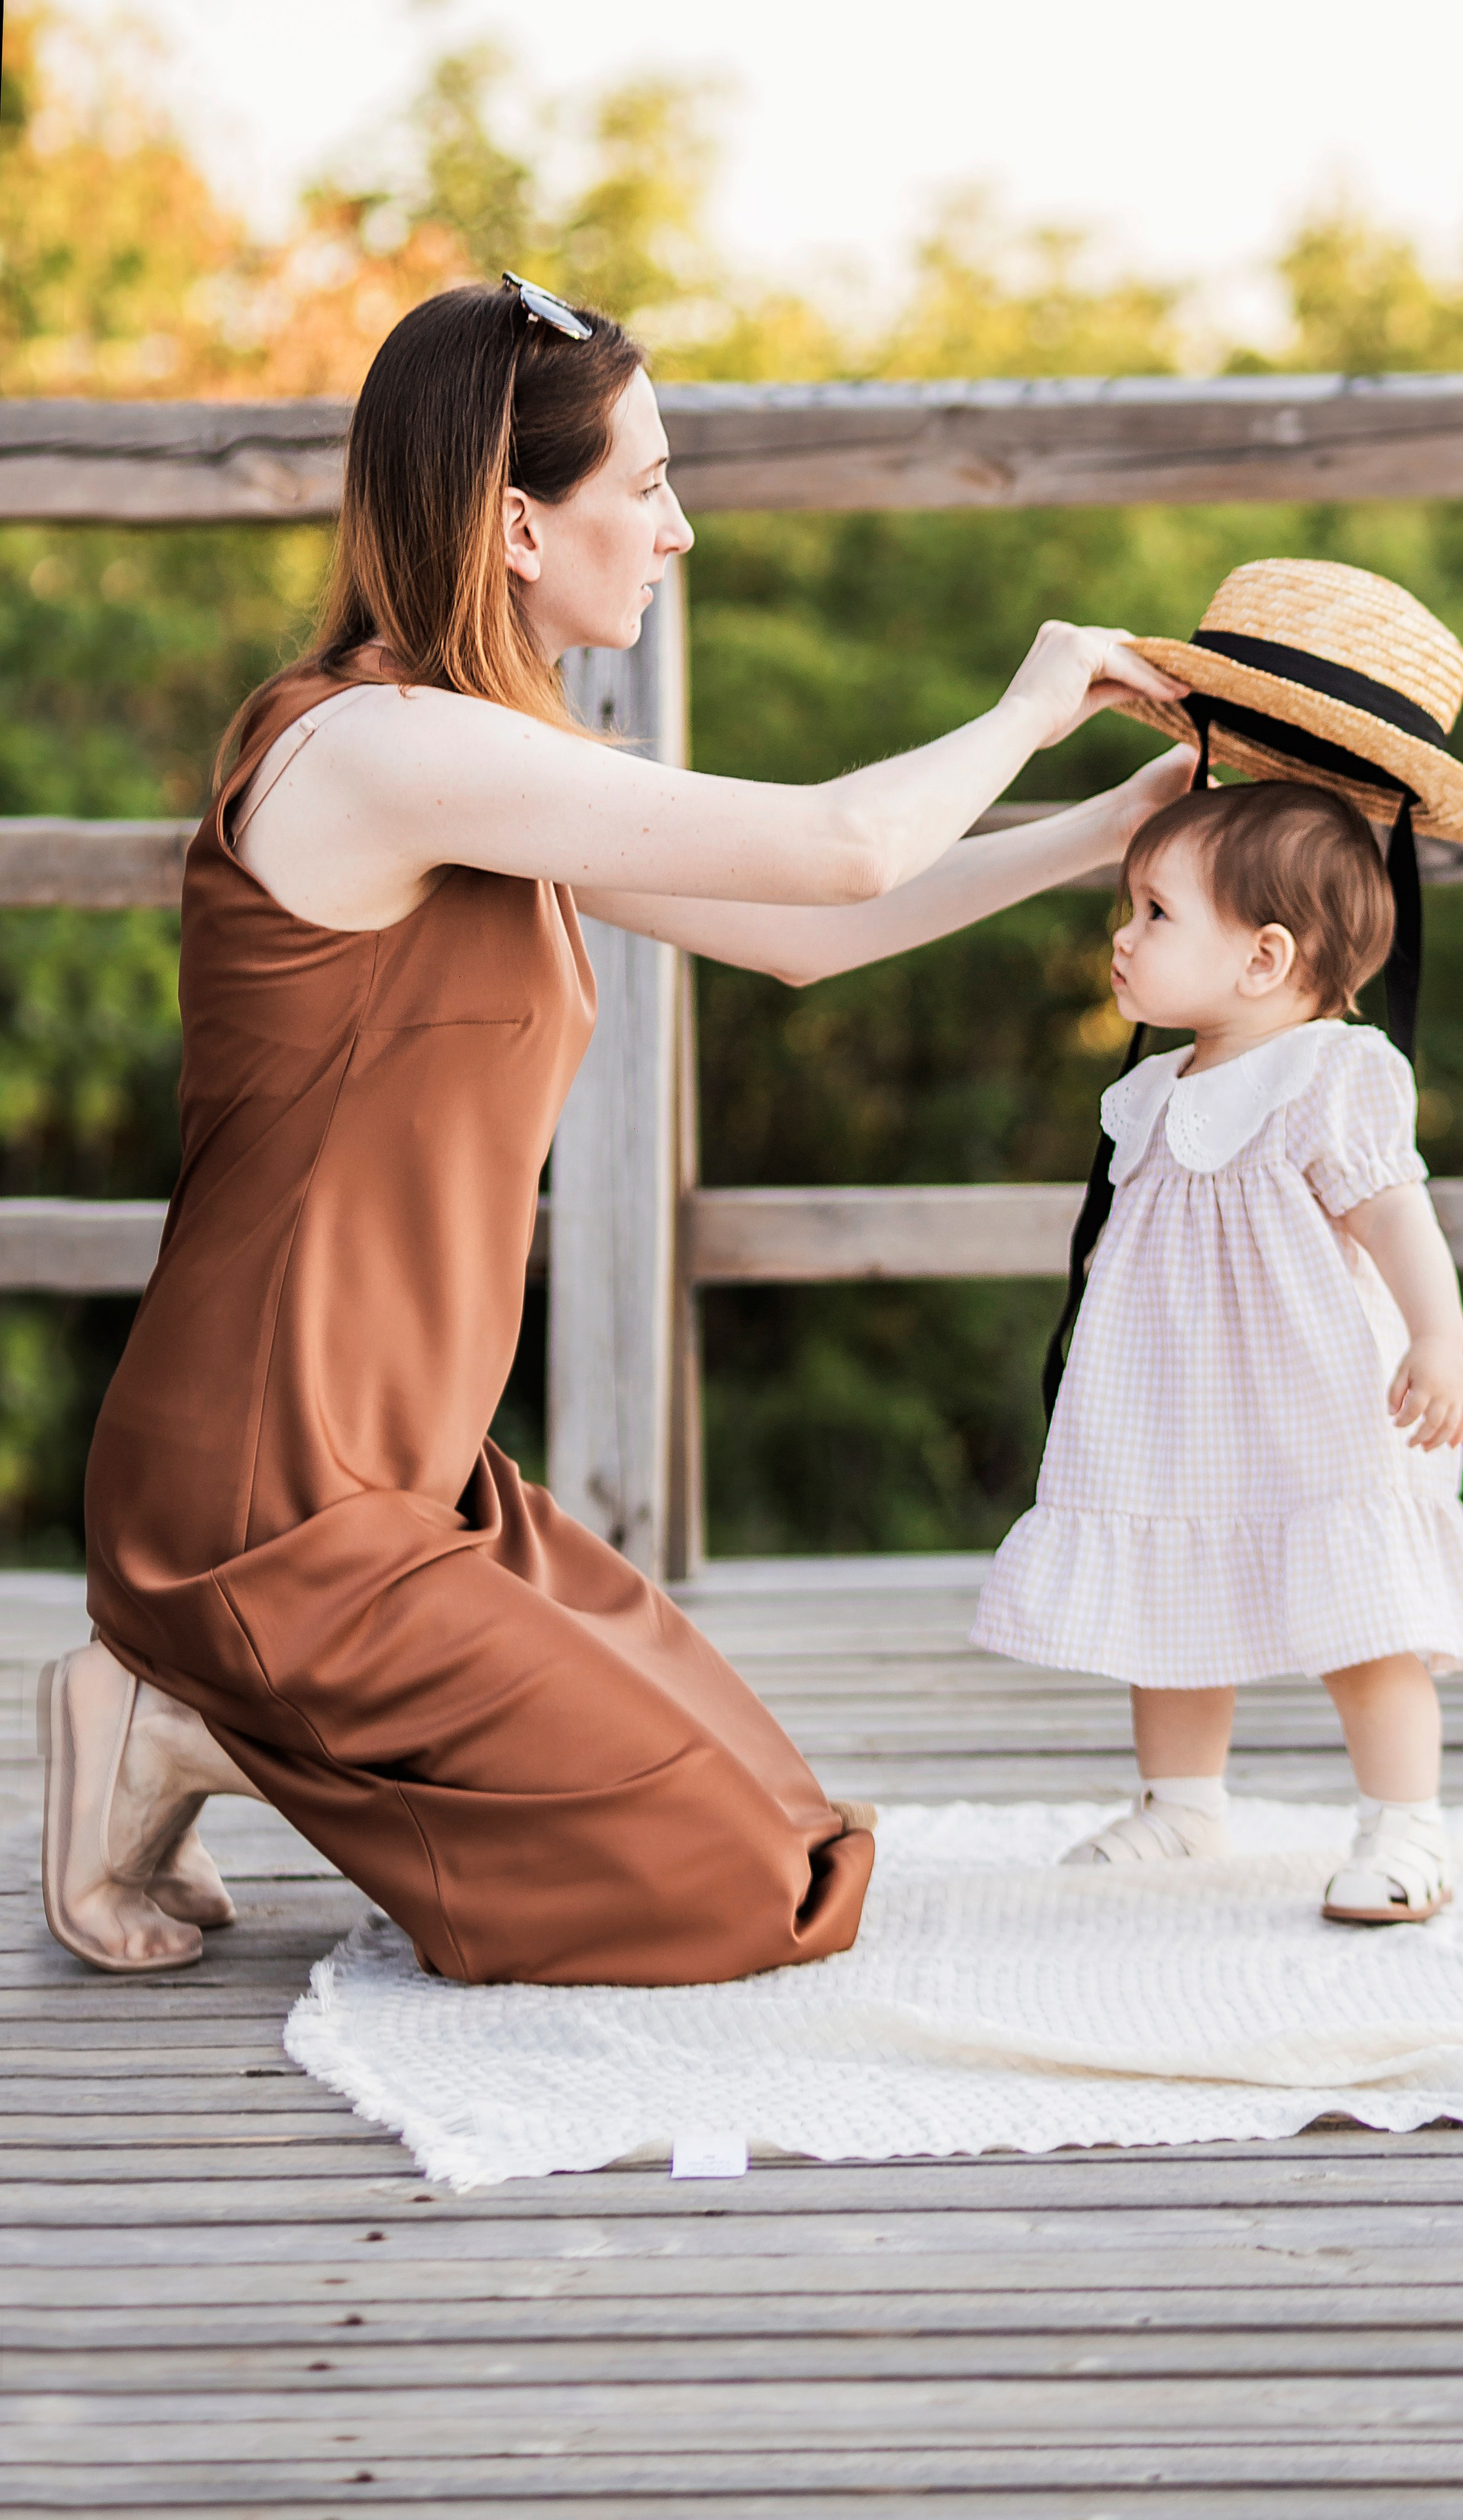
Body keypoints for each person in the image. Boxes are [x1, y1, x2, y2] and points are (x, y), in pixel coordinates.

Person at [39, 272, 1195, 1981]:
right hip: (267, 1502)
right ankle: (193, 1709)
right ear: (516, 524)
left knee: (794, 1835)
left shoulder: (483, 764)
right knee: (747, 1895)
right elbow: (837, 849)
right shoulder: (379, 749)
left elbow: (807, 934)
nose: (678, 532)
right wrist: (1035, 704)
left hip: (414, 1481)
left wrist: (1106, 825)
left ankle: (196, 1715)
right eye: (647, 485)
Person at [971, 779, 1463, 1921]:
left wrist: (1439, 1336)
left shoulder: (1329, 1074)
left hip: (1308, 1402)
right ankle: (1182, 1805)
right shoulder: (1153, 1089)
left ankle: (1406, 1824)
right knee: (1168, 1606)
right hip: (1173, 1403)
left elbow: (1395, 1215)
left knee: (1363, 1617)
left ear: (1265, 958)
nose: (1125, 935)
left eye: (1156, 913)